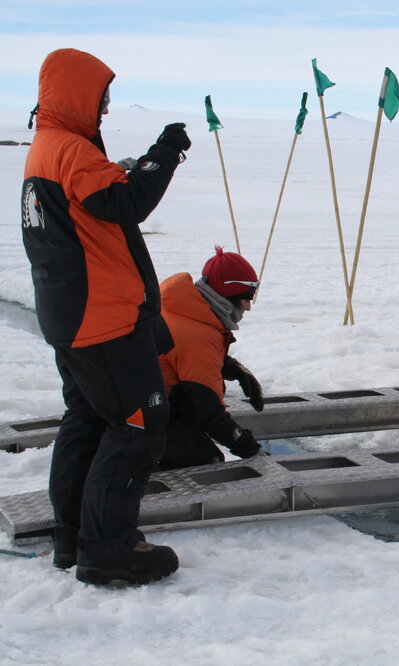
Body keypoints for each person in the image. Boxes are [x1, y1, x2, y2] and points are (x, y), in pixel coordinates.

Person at [21, 48, 191, 584]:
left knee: (90, 419)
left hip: (71, 317)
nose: (107, 110)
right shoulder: (70, 149)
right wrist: (164, 152)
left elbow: (105, 198)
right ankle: (109, 549)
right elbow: (127, 203)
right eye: (103, 98)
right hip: (102, 319)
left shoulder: (48, 148)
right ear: (78, 96)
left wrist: (132, 168)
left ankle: (73, 537)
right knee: (139, 425)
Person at [157, 247, 267, 470]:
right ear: (225, 298)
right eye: (244, 298)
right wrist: (251, 450)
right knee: (204, 465)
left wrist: (227, 366)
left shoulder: (181, 308)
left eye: (251, 296)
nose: (248, 306)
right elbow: (208, 413)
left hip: (141, 405)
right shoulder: (198, 335)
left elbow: (175, 356)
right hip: (149, 417)